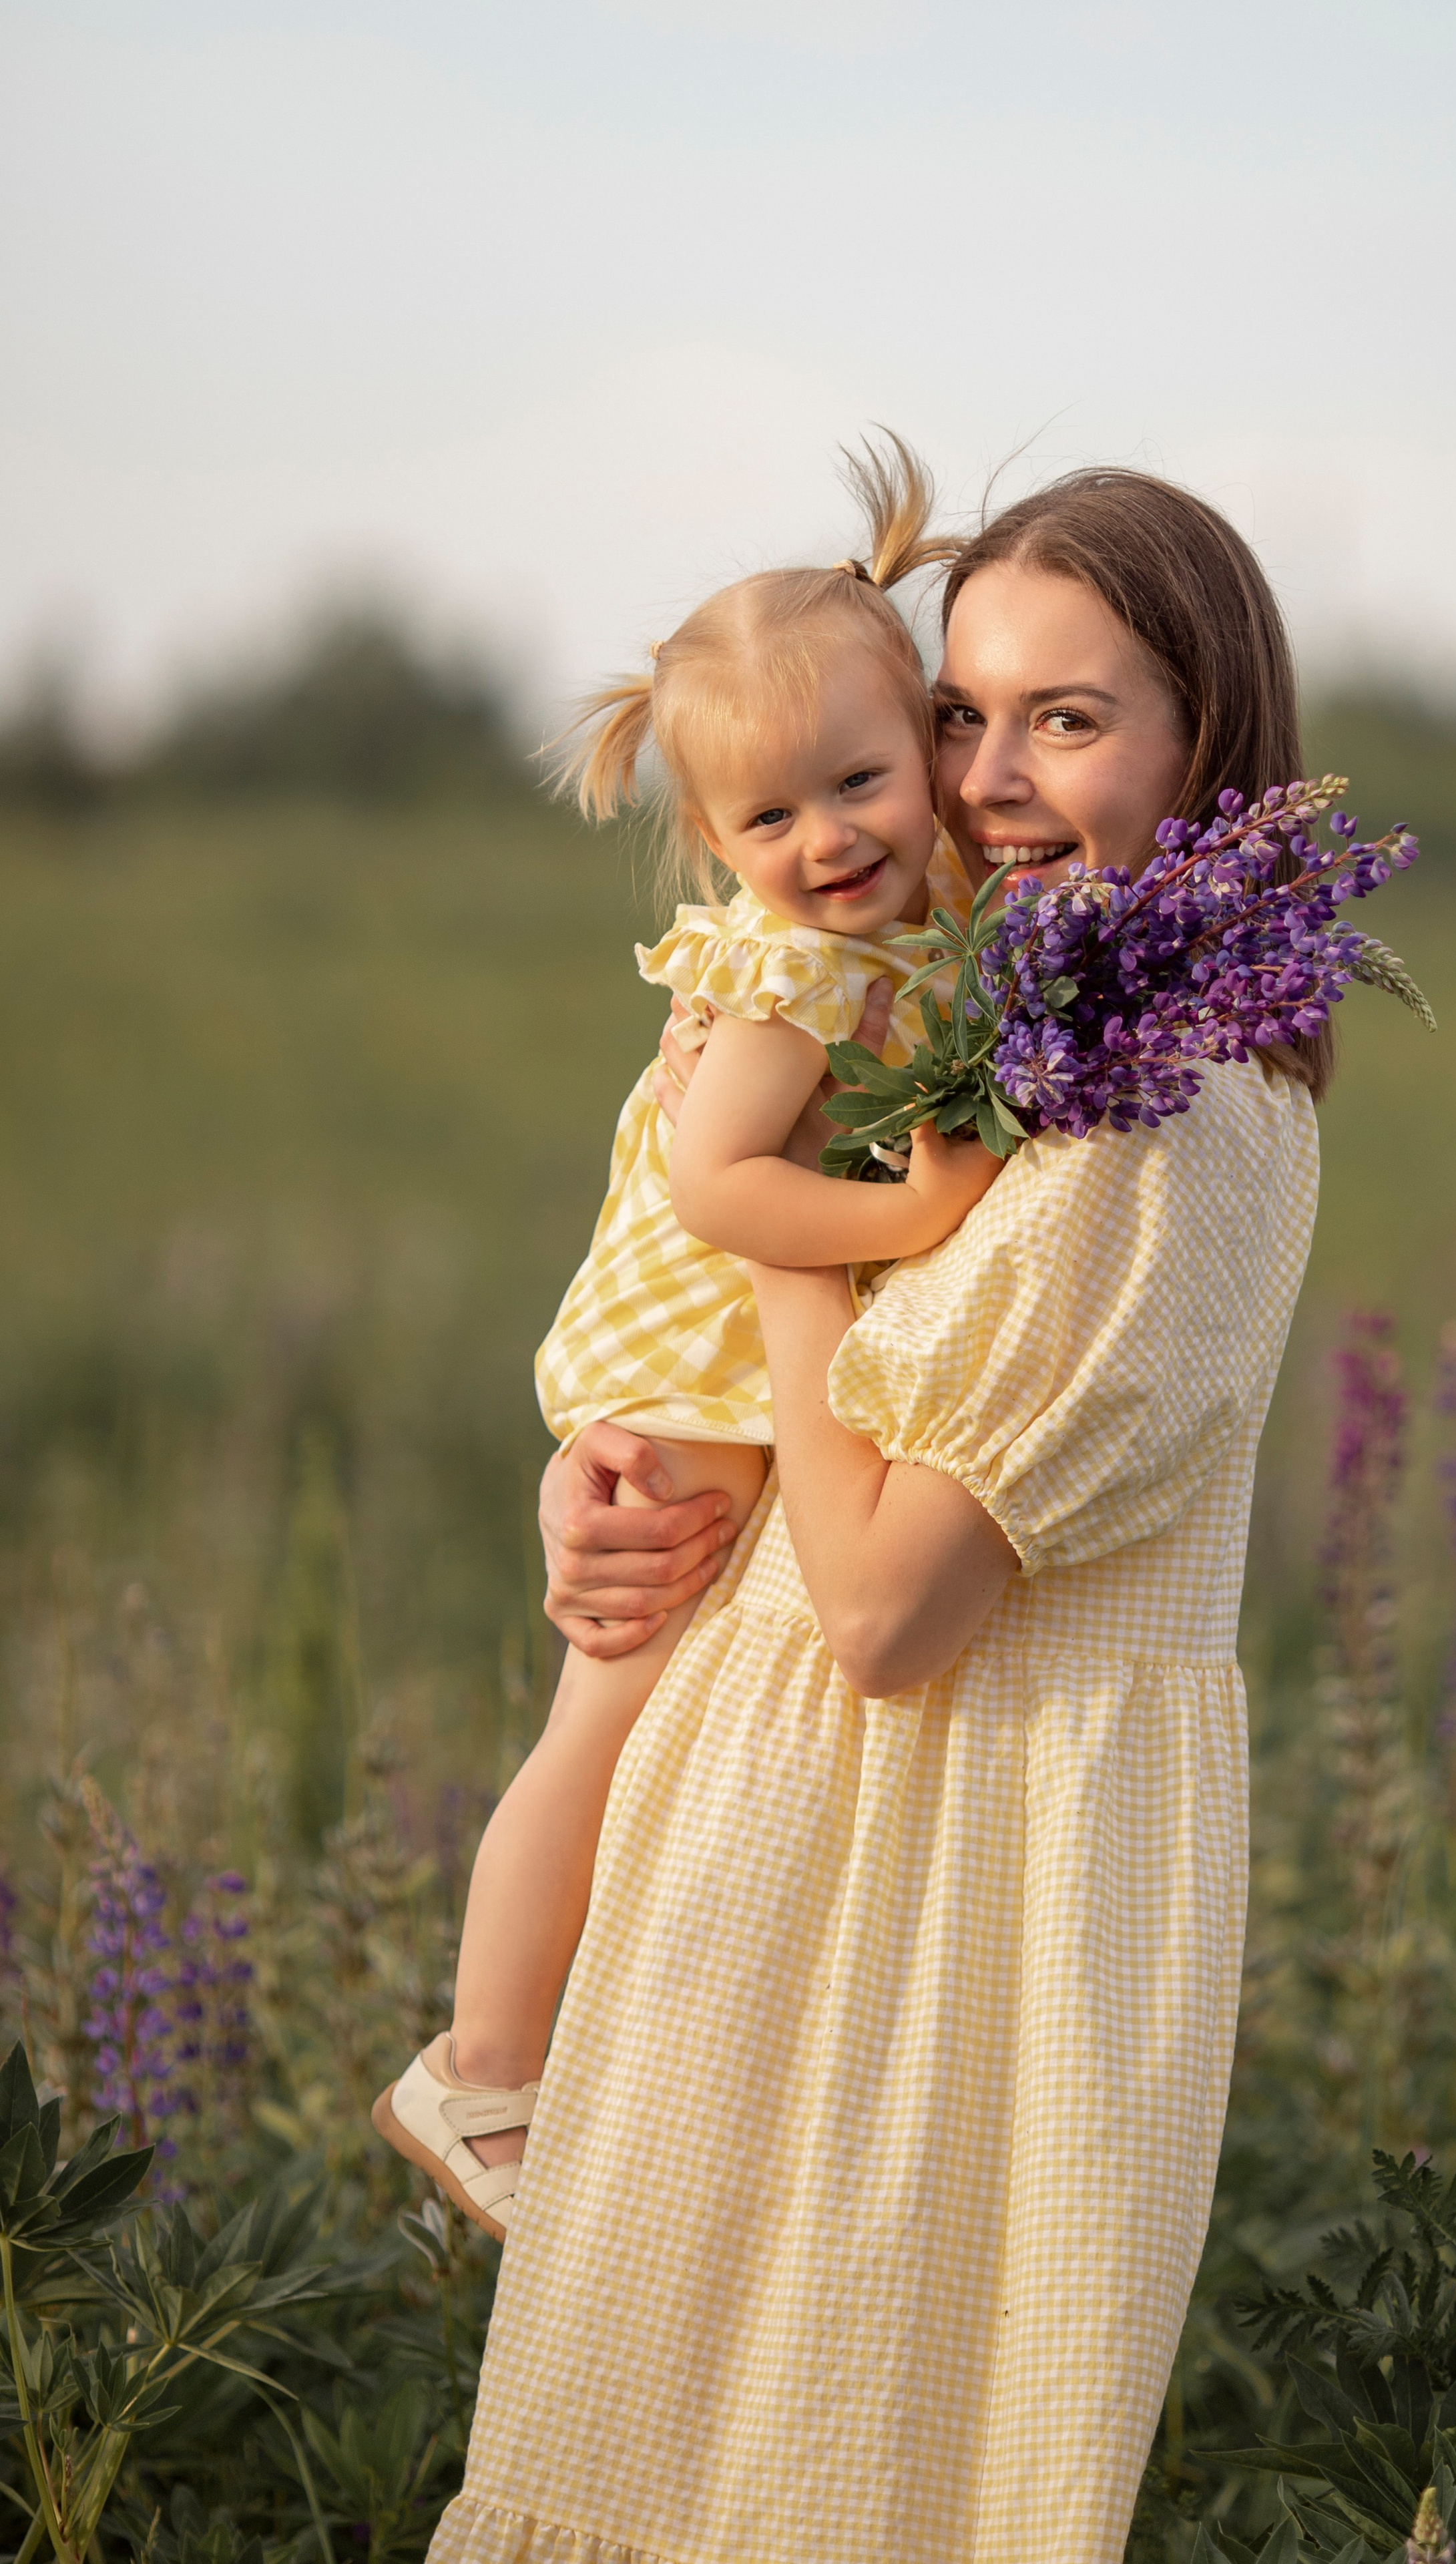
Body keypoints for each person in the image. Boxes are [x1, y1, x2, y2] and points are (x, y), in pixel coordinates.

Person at [428, 463, 1324, 2564]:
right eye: (963, 716)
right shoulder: (1015, 1048)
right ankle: (483, 2054)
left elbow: (886, 1606)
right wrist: (618, 1477)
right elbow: (838, 1427)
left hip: (955, 1908)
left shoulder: (1160, 1122)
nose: (985, 785)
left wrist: (767, 1257)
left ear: (1216, 746)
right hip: (801, 1866)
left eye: (1071, 722)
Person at [373, 438, 998, 2241]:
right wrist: (911, 1218)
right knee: (614, 1715)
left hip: (722, 1360)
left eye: (864, 781)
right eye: (769, 824)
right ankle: (483, 2065)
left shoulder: (919, 932)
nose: (830, 842)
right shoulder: (798, 975)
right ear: (715, 847)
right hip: (689, 1365)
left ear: (931, 750)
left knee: (668, 1716)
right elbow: (729, 1186)